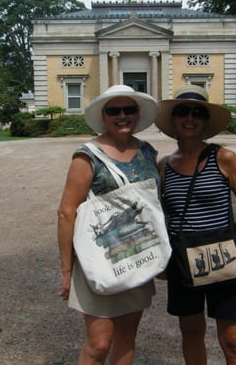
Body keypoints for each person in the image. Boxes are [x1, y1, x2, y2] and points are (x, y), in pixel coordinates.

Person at [155, 84, 236, 365]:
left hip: (222, 255)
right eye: (183, 112)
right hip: (182, 259)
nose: (190, 118)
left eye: (197, 113)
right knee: (190, 333)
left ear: (204, 121)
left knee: (234, 341)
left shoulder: (223, 158)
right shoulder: (164, 165)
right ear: (174, 119)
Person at [57, 85, 160, 365]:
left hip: (137, 253)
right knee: (99, 344)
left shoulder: (148, 151)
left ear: (138, 115)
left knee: (127, 337)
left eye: (129, 109)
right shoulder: (87, 155)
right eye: (114, 110)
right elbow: (67, 213)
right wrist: (67, 270)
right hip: (99, 258)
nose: (122, 116)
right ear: (104, 117)